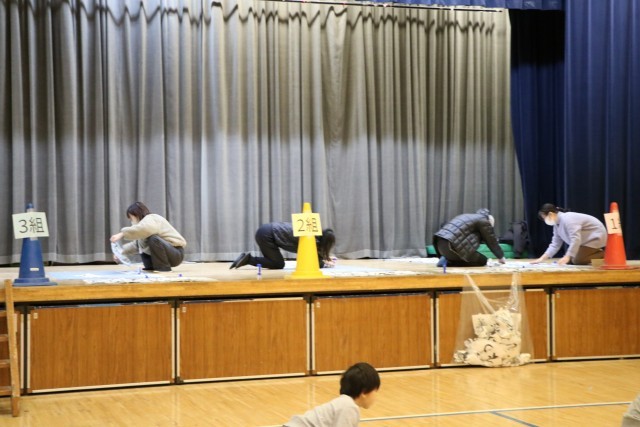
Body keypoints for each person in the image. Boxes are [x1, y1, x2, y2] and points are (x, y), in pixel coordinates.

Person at [283, 362, 380, 427]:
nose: (376, 396)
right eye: (375, 391)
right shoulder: (349, 407)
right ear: (364, 392)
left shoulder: (345, 403)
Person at [110, 201, 186, 272]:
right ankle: (151, 267)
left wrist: (122, 234)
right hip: (167, 254)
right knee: (141, 244)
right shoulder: (142, 229)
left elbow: (145, 228)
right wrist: (120, 253)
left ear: (136, 214)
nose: (131, 221)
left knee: (153, 239)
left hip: (176, 253)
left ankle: (163, 268)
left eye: (131, 217)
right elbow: (136, 245)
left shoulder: (153, 218)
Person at [230, 222, 335, 270]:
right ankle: (248, 259)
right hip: (267, 235)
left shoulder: (312, 232)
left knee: (275, 261)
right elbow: (314, 263)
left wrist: (324, 258)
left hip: (265, 230)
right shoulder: (313, 241)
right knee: (278, 264)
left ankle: (246, 258)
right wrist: (325, 263)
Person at [531, 203, 607, 265]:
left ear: (551, 214)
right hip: (584, 241)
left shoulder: (568, 218)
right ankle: (592, 252)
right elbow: (555, 244)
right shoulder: (556, 225)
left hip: (596, 236)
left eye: (545, 218)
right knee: (570, 260)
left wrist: (568, 256)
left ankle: (605, 254)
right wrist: (542, 258)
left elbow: (575, 238)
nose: (545, 221)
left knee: (578, 260)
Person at [433, 208, 506, 267]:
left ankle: (447, 260)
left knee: (470, 257)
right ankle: (450, 262)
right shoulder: (484, 221)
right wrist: (501, 257)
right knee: (482, 260)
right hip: (451, 246)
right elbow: (491, 241)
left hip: (440, 245)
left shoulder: (469, 217)